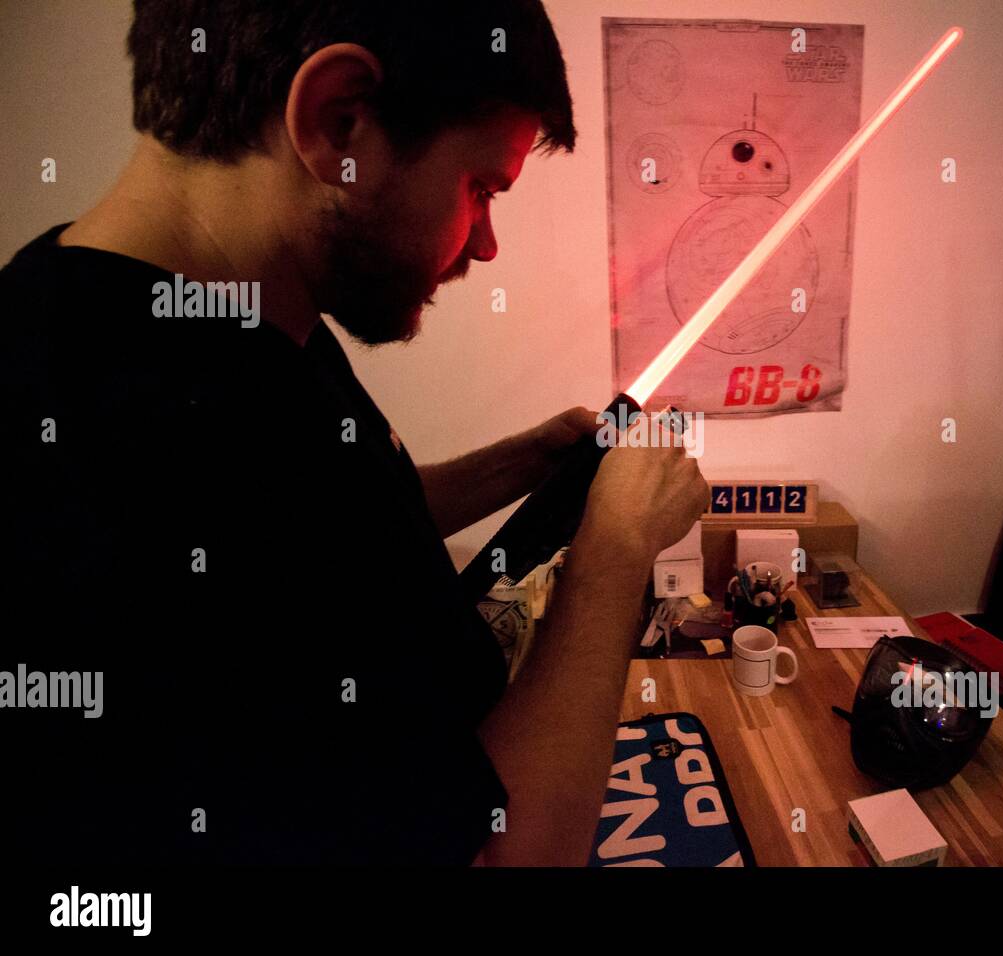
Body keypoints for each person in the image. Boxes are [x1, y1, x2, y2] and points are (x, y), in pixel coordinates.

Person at [0, 0, 708, 866]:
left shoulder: (229, 312)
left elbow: (335, 538)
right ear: (339, 119)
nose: (485, 243)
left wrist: (516, 467)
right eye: (481, 188)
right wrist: (616, 550)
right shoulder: (123, 456)